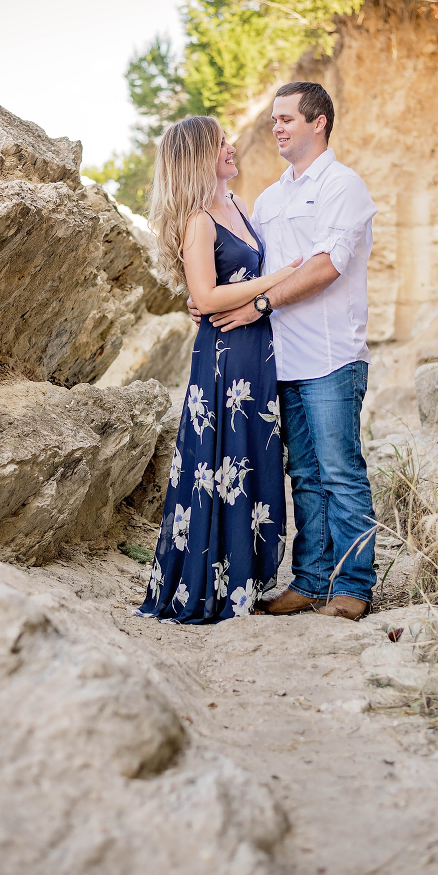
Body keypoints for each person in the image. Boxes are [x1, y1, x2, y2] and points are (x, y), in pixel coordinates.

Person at [195, 82, 378, 620]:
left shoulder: (345, 186)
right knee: (305, 475)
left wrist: (261, 306)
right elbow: (252, 269)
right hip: (282, 360)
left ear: (318, 122)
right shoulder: (270, 199)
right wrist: (207, 298)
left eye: (287, 119)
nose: (276, 127)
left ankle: (354, 586)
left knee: (340, 472)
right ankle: (311, 581)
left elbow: (325, 267)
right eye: (273, 119)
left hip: (331, 355)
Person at [135, 116, 298, 623]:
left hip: (257, 350)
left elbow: (215, 290)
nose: (232, 147)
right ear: (197, 157)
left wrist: (265, 289)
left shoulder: (239, 208)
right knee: (220, 462)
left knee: (252, 457)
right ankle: (211, 586)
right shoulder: (199, 219)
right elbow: (204, 296)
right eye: (219, 143)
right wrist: (277, 280)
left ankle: (243, 580)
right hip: (226, 356)